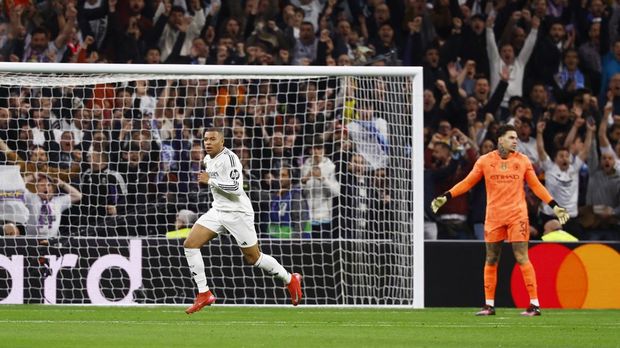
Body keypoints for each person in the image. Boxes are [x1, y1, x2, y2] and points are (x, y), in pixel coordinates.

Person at [431, 125, 569, 316]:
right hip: (494, 217)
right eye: (511, 137)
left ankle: (534, 304)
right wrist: (446, 196)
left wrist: (555, 206)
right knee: (491, 258)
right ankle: (489, 305)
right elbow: (468, 182)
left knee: (522, 257)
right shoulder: (485, 161)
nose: (515, 140)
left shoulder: (522, 161)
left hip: (517, 216)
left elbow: (536, 186)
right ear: (500, 139)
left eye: (516, 138)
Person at [183, 128, 302, 314]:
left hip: (238, 214)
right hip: (218, 211)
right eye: (205, 139)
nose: (207, 142)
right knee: (190, 244)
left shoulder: (230, 159)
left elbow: (237, 188)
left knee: (253, 258)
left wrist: (210, 181)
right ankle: (204, 293)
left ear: (222, 142)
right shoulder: (207, 159)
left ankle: (290, 279)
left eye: (212, 139)